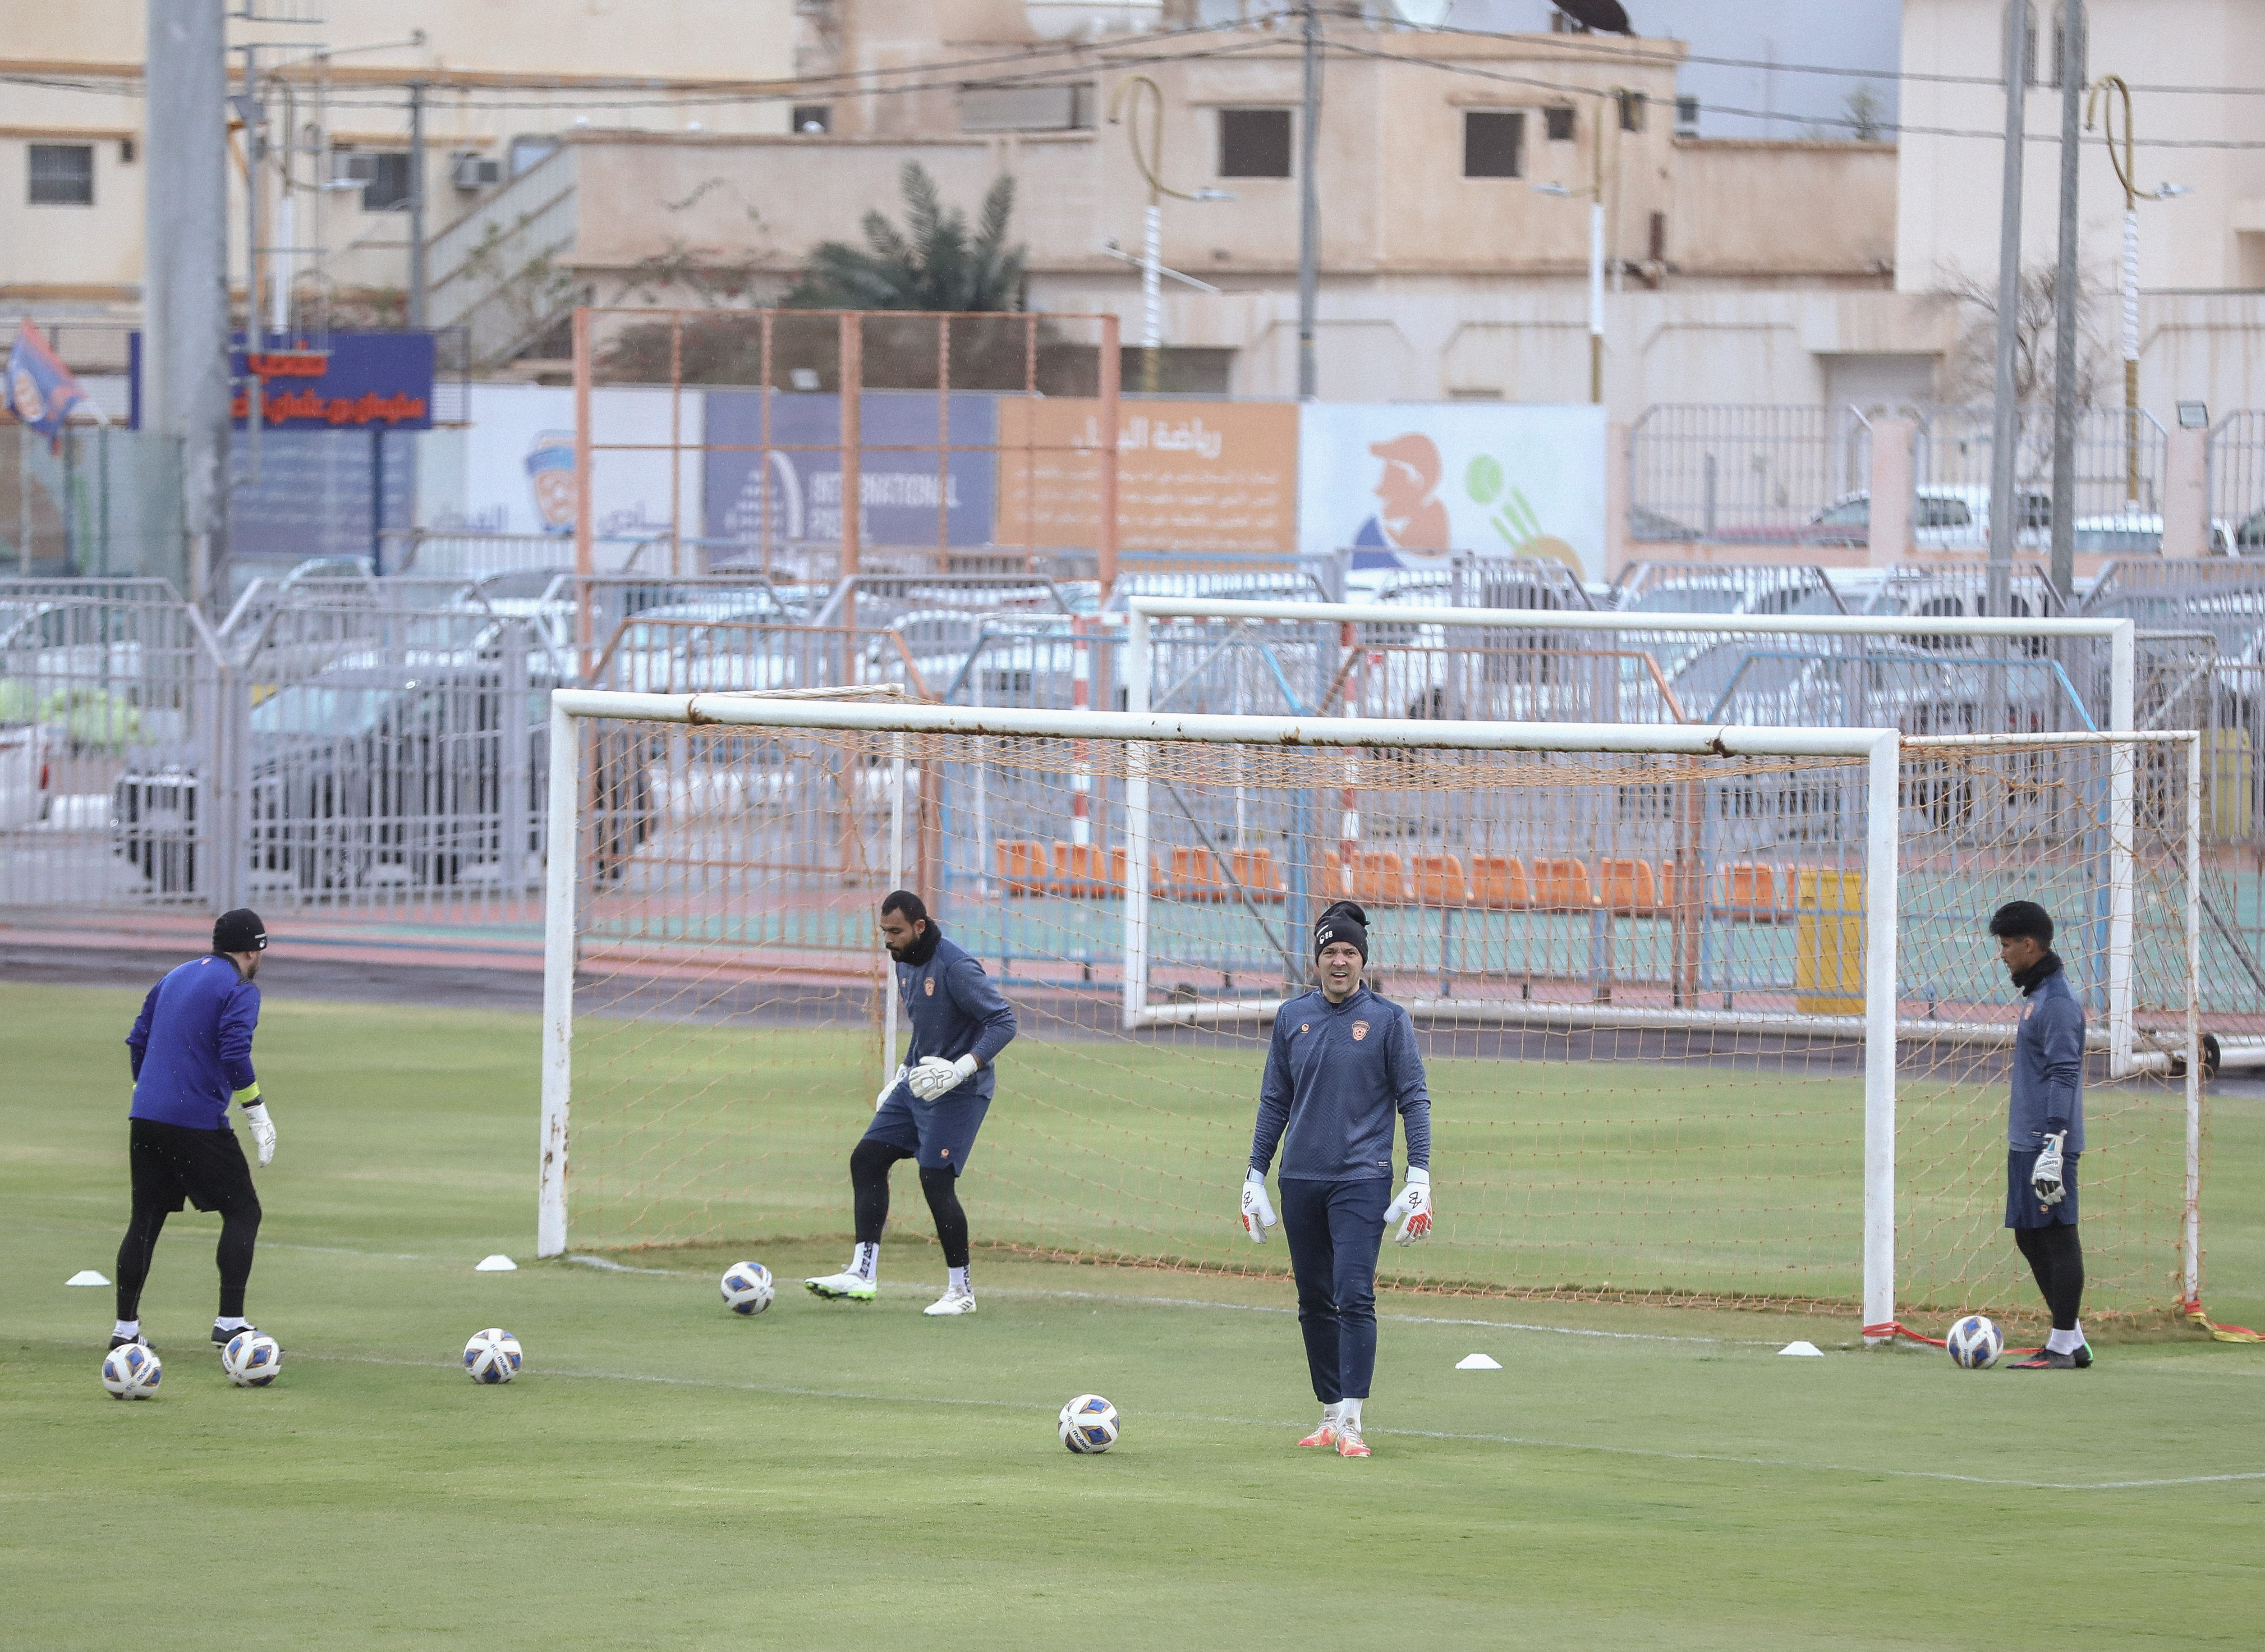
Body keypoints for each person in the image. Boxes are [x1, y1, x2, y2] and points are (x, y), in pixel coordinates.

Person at [1240, 901, 1434, 1458]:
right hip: (1299, 1178)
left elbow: (1414, 1100)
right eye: (1331, 952)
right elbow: (1274, 1100)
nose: (1340, 961)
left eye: (1350, 952)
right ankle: (1328, 1413)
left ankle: (1352, 1419)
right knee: (1313, 1299)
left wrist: (1418, 1172)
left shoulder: (1388, 1020)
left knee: (1354, 1294)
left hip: (1361, 1180)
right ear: (1318, 960)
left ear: (1363, 959)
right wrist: (1254, 1174)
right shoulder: (1290, 1018)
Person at [805, 890, 1018, 1316]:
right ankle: (862, 1274)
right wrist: (903, 1072)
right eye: (884, 932)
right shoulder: (905, 962)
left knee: (935, 1180)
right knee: (866, 1159)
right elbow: (926, 1028)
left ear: (919, 927)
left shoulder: (955, 967)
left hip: (959, 1091)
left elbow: (1004, 1022)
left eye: (895, 931)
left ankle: (962, 1292)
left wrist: (959, 1070)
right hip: (918, 1083)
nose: (888, 940)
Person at [111, 908, 278, 1357]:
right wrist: (256, 1110)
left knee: (145, 1218)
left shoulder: (176, 975)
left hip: (145, 1115)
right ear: (252, 950)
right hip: (195, 1121)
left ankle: (125, 1328)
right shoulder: (241, 988)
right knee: (244, 1210)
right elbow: (234, 1049)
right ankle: (230, 1322)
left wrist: (146, 1091)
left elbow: (138, 1040)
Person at [1990, 900, 2092, 1369]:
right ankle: (2071, 1336)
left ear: (2029, 945)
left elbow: (2064, 1074)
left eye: (2008, 945)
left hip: (2046, 1143)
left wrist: (2053, 1143)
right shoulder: (2038, 996)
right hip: (2028, 1141)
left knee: (2056, 1234)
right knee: (2030, 1237)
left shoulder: (2055, 1004)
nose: (2003, 954)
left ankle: (2064, 1344)